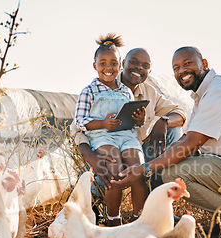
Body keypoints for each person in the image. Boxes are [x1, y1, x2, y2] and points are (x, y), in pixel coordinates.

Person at [113, 46, 221, 229]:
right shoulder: (201, 96)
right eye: (176, 68)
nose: (182, 71)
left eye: (187, 63)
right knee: (167, 166)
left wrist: (145, 168)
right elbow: (186, 140)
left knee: (172, 172)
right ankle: (155, 217)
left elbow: (191, 143)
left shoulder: (219, 91)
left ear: (204, 64)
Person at [73, 46, 187, 223]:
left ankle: (145, 213)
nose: (138, 68)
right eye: (133, 62)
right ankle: (103, 211)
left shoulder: (147, 92)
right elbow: (77, 128)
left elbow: (179, 113)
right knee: (110, 171)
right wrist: (93, 159)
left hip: (130, 143)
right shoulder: (92, 89)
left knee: (173, 131)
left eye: (145, 65)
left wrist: (161, 121)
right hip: (100, 149)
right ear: (124, 64)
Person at [74, 34, 150, 226]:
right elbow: (80, 121)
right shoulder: (89, 91)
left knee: (138, 171)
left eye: (113, 63)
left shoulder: (126, 91)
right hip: (102, 136)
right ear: (95, 65)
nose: (108, 68)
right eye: (103, 63)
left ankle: (138, 220)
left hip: (127, 136)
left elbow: (132, 121)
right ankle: (113, 220)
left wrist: (139, 120)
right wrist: (102, 124)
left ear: (120, 65)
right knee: (114, 172)